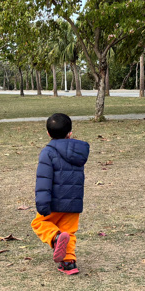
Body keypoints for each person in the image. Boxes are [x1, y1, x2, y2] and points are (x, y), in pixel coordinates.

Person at [32, 113, 90, 275]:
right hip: (74, 201)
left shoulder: (48, 152)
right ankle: (69, 263)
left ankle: (55, 238)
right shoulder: (78, 152)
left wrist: (42, 203)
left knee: (39, 223)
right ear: (70, 133)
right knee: (68, 232)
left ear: (48, 133)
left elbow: (44, 179)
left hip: (54, 202)